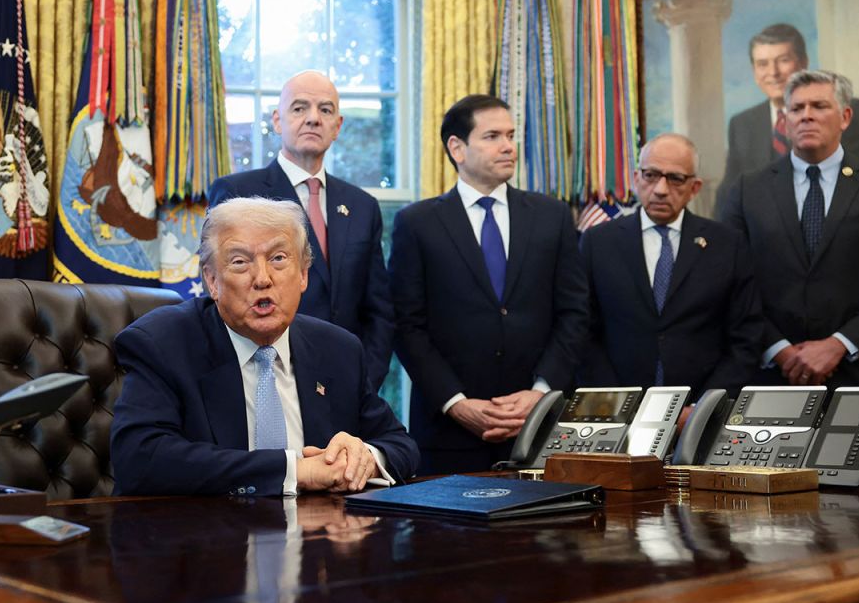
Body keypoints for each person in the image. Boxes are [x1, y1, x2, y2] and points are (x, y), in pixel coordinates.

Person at [109, 197, 418, 496]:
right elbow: (139, 459)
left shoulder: (338, 349)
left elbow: (400, 445)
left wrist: (364, 459)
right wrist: (295, 471)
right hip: (204, 539)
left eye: (278, 259)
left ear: (303, 275)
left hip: (320, 539)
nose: (262, 279)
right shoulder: (162, 343)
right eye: (240, 262)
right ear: (212, 280)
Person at [390, 94, 589, 475]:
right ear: (457, 148)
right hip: (449, 433)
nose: (508, 146)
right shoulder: (417, 223)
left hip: (539, 427)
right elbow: (407, 326)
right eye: (493, 136)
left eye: (511, 135)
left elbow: (575, 313)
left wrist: (540, 393)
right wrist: (457, 403)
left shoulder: (552, 216)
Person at [719, 70, 859, 416]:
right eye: (796, 109)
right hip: (773, 379)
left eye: (819, 105)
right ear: (784, 121)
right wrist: (780, 349)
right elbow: (730, 283)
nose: (806, 115)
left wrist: (840, 343)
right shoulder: (746, 190)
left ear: (845, 117)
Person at [208, 71, 394, 390]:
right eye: (299, 108)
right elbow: (222, 294)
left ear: (338, 126)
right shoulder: (238, 192)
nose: (313, 118)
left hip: (347, 382)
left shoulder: (362, 205)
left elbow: (378, 310)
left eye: (325, 109)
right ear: (277, 121)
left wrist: (365, 380)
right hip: (263, 376)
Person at [580, 133, 762, 402]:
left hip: (699, 414)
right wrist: (615, 400)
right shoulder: (598, 242)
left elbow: (746, 337)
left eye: (675, 178)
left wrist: (702, 407)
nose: (661, 189)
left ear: (695, 187)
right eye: (651, 175)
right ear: (636, 178)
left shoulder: (727, 245)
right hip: (617, 408)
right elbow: (581, 331)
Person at [716, 24, 859, 217]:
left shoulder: (850, 111)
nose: (773, 72)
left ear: (803, 62)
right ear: (754, 70)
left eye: (783, 60)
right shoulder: (742, 123)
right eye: (762, 64)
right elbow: (728, 193)